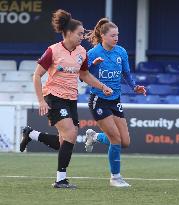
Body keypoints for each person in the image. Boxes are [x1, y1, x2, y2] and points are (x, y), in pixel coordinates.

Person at [19, 9, 112, 189]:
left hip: (71, 99)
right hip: (54, 97)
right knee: (70, 134)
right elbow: (37, 76)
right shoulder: (53, 51)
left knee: (64, 141)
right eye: (79, 33)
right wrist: (41, 101)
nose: (82, 36)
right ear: (68, 33)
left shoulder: (82, 52)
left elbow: (84, 75)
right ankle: (60, 180)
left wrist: (102, 86)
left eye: (84, 33)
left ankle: (31, 134)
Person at [84, 18, 146, 187]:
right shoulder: (93, 54)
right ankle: (115, 178)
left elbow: (126, 73)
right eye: (113, 35)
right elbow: (83, 76)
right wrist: (93, 66)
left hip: (115, 100)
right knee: (116, 139)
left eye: (117, 35)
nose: (116, 38)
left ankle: (94, 136)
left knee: (125, 142)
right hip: (99, 100)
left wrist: (134, 87)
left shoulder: (121, 52)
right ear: (103, 36)